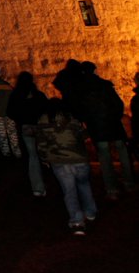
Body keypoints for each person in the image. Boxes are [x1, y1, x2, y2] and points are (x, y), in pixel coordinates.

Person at [36, 97, 98, 235]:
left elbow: (41, 143)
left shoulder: (43, 121)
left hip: (59, 161)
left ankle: (77, 221)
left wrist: (44, 158)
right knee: (84, 185)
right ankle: (90, 212)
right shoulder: (73, 119)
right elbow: (85, 136)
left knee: (69, 191)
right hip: (79, 158)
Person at [77, 62, 136, 199]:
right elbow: (118, 104)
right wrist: (115, 117)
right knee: (123, 154)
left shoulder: (82, 89)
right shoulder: (105, 85)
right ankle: (129, 183)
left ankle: (111, 188)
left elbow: (84, 111)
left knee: (105, 158)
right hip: (113, 124)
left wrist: (90, 123)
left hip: (98, 127)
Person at [6, 71, 49, 197]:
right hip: (40, 127)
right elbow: (46, 108)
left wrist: (21, 119)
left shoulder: (16, 95)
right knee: (43, 153)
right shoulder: (38, 95)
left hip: (26, 128)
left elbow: (10, 112)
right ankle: (47, 180)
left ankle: (38, 187)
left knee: (33, 156)